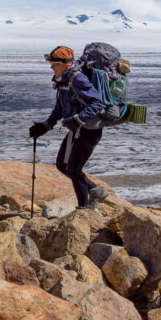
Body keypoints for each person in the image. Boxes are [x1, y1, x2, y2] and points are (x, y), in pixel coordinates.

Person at [29, 45, 109, 209]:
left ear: (66, 63)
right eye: (51, 64)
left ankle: (86, 205)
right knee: (62, 165)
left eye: (55, 64)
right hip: (77, 129)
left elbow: (97, 102)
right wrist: (46, 125)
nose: (52, 68)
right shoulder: (63, 79)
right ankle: (93, 192)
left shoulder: (77, 79)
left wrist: (78, 119)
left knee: (73, 169)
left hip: (89, 129)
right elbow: (60, 106)